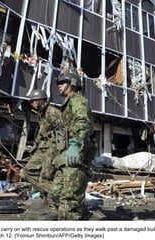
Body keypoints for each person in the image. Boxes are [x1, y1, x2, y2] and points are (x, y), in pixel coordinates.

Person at [48, 72, 96, 220]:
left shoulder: (78, 100)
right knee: (55, 195)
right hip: (64, 157)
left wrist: (75, 144)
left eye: (62, 83)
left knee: (69, 200)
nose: (59, 86)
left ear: (72, 84)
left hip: (76, 154)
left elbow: (84, 122)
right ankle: (79, 214)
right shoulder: (67, 104)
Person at [20, 89, 62, 207]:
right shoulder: (41, 114)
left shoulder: (52, 112)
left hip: (52, 149)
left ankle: (58, 201)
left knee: (46, 178)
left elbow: (62, 131)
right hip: (42, 148)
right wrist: (34, 146)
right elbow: (41, 133)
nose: (31, 104)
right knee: (26, 172)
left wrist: (61, 152)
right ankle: (49, 195)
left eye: (33, 101)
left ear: (40, 100)